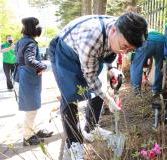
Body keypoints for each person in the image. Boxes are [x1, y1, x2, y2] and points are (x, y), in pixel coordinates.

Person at [49, 12, 148, 159]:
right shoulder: (91, 37)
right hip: (67, 52)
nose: (125, 52)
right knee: (69, 96)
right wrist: (109, 100)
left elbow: (113, 50)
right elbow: (90, 77)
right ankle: (74, 143)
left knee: (100, 88)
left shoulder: (123, 28)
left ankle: (92, 128)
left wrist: (112, 67)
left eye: (130, 50)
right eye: (125, 46)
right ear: (113, 30)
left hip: (91, 52)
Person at [15, 17, 53, 146]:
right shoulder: (30, 43)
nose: (40, 28)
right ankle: (27, 137)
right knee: (31, 108)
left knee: (34, 106)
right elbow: (29, 60)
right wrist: (43, 66)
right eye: (38, 26)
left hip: (26, 76)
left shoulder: (22, 41)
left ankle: (35, 131)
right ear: (33, 28)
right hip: (28, 78)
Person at [130, 31, 164, 96]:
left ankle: (136, 91)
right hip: (161, 42)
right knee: (159, 66)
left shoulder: (141, 34)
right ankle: (157, 90)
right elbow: (150, 60)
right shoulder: (153, 32)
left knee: (136, 65)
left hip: (147, 41)